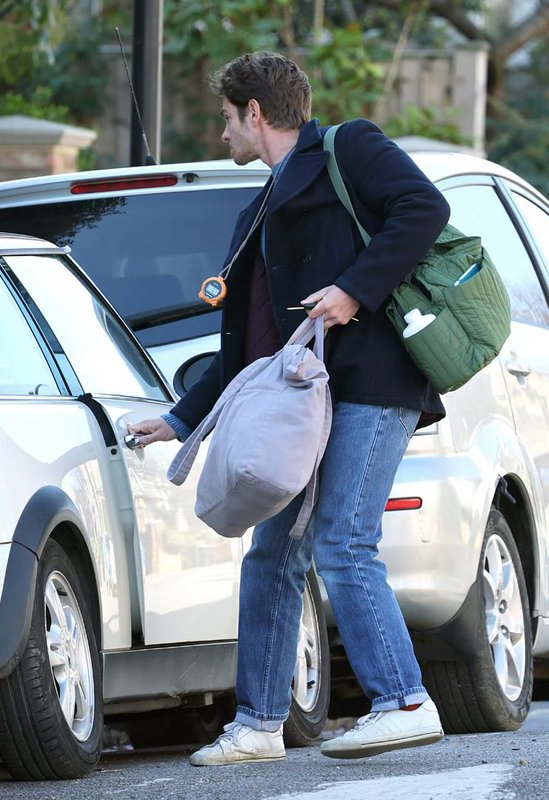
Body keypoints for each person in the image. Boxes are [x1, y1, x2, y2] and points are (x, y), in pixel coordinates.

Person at [127, 51, 452, 764]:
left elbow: (425, 208)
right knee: (273, 552)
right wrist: (181, 418)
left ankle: (404, 699)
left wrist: (354, 290)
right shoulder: (258, 211)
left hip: (374, 385)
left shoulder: (351, 147)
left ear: (254, 113)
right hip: (304, 402)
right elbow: (249, 347)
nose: (221, 136)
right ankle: (259, 724)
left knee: (342, 539)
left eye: (225, 120)